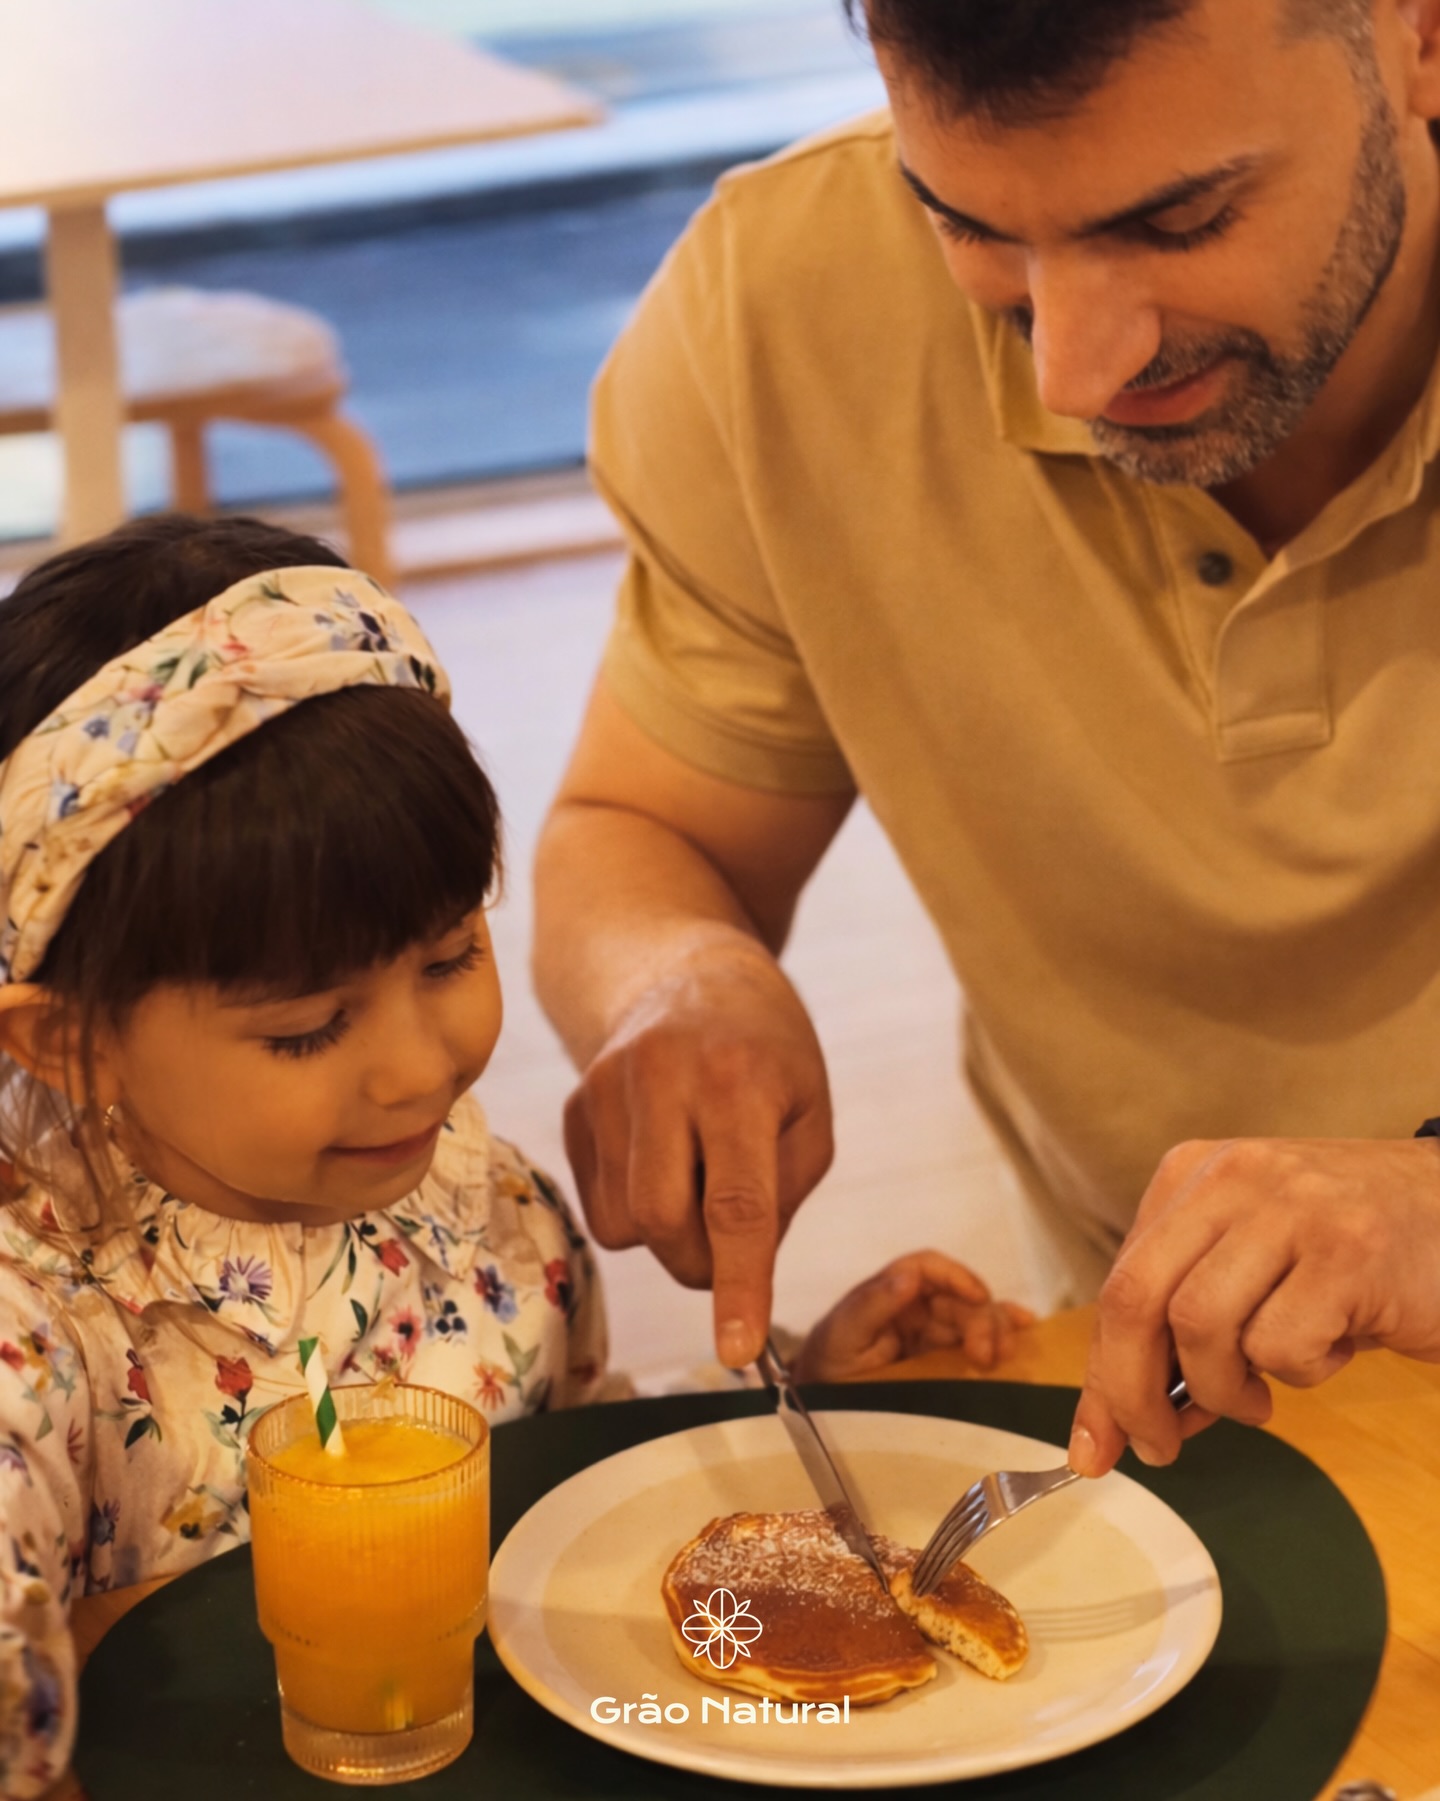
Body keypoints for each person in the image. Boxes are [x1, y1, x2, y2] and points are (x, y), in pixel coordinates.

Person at [531, 0, 1440, 1472]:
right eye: (973, 230)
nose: (1072, 370)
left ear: (1414, 36)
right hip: (1145, 1372)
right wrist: (677, 981)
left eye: (1181, 220)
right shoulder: (784, 303)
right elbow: (646, 830)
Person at [0, 513, 1025, 1793]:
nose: (420, 1067)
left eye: (449, 957)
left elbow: (573, 1483)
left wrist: (797, 1391)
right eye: (307, 1026)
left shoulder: (486, 1211)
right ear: (73, 1043)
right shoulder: (39, 1326)